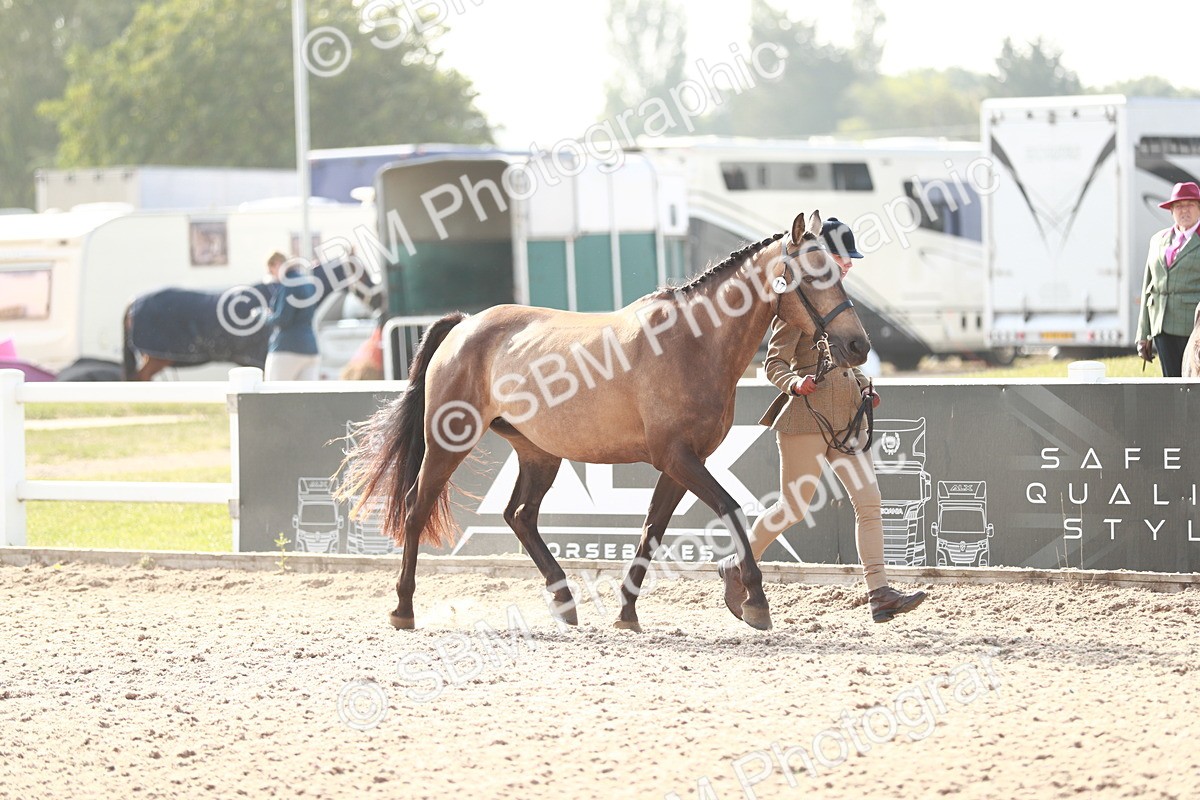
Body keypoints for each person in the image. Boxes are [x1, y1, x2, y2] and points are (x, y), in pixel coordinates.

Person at [718, 218, 927, 624]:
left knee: (870, 504)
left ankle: (879, 592)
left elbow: (846, 361)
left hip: (847, 418)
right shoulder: (799, 305)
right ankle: (737, 563)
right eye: (842, 258)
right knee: (793, 508)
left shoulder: (839, 302)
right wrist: (795, 382)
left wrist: (864, 385)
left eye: (849, 260)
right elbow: (773, 363)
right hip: (806, 420)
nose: (849, 266)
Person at [1137, 181, 1200, 377]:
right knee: (1170, 384)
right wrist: (1143, 334)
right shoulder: (1158, 240)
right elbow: (1148, 285)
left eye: (1190, 205)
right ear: (1171, 211)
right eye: (1179, 206)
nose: (1184, 211)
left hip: (1193, 327)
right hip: (1162, 325)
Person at [263, 251, 320, 381]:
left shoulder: (288, 285)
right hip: (311, 349)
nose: (274, 277)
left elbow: (282, 319)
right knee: (306, 399)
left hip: (286, 348)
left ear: (276, 264)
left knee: (273, 396)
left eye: (271, 271)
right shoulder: (308, 283)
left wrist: (264, 316)